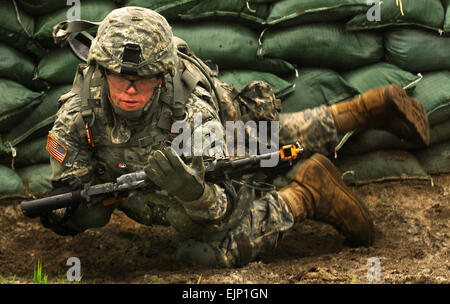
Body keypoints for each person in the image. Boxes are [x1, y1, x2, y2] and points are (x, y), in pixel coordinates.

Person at [41, 6, 430, 268]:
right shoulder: (78, 112)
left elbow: (222, 213)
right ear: (99, 69)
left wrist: (192, 192)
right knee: (270, 137)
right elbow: (66, 189)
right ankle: (363, 110)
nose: (128, 89)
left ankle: (308, 193)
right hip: (232, 130)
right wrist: (75, 214)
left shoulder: (192, 114)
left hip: (222, 130)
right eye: (117, 76)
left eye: (141, 79)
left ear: (161, 76)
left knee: (213, 246)